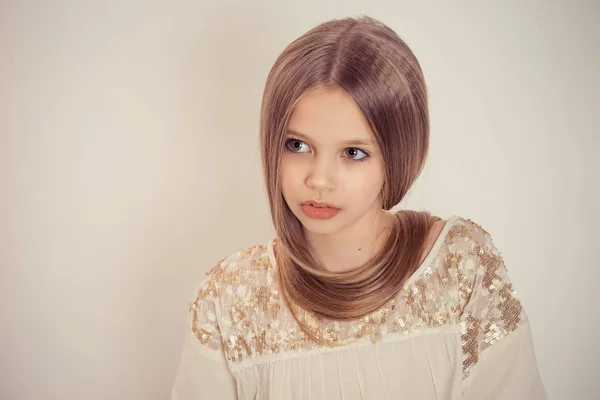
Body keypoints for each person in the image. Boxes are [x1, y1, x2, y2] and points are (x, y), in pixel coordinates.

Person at [170, 15, 547, 399]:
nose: (319, 179)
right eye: (297, 145)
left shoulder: (460, 267)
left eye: (353, 153)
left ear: (398, 155)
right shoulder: (230, 298)